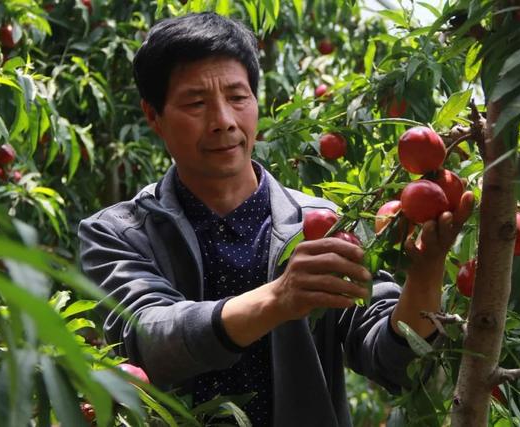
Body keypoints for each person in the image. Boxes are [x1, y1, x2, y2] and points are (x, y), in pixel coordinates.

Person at [78, 12, 473, 427]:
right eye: (196, 103)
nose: (223, 122)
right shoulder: (117, 233)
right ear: (153, 115)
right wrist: (278, 299)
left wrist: (425, 272)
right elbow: (149, 340)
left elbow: (391, 360)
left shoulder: (324, 224)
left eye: (237, 97)